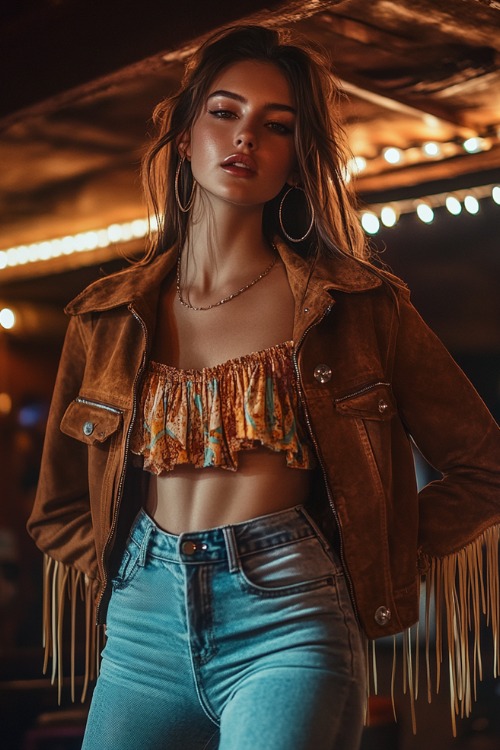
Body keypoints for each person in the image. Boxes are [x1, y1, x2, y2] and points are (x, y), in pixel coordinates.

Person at [27, 24, 500, 750]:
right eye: (224, 112)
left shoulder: (358, 306)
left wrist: (369, 552)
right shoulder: (106, 317)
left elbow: (483, 465)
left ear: (294, 162)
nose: (245, 137)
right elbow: (60, 505)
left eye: (275, 126)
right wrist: (129, 569)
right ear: (184, 137)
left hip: (290, 613)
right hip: (139, 632)